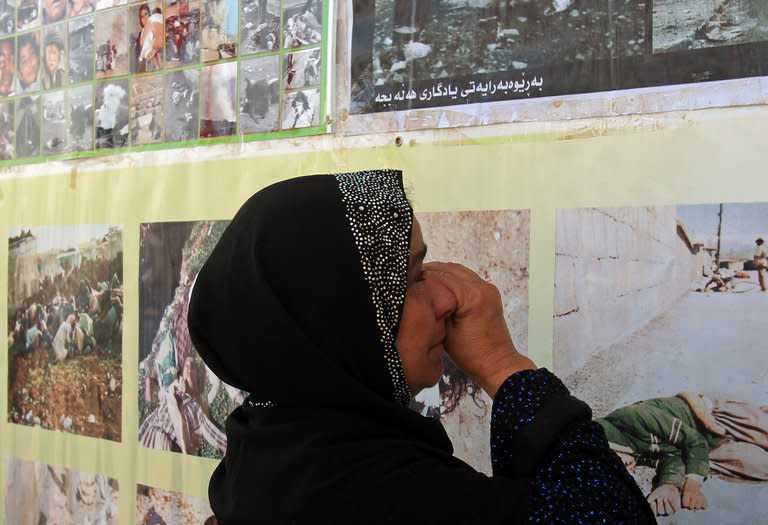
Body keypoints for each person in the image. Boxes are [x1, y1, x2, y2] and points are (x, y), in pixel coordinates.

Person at [187, 170, 654, 523]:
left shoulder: (271, 443)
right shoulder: (372, 494)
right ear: (340, 318)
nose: (446, 298)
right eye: (412, 278)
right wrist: (502, 364)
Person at [597, 393, 768, 516]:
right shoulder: (630, 452)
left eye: (617, 462)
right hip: (704, 450)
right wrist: (668, 485)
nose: (626, 468)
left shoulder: (631, 417)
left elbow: (694, 440)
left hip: (709, 417)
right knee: (760, 466)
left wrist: (692, 486)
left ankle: (759, 413)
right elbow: (672, 456)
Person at [137, 4, 163, 72]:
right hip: (149, 66)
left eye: (146, 14)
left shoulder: (156, 26)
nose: (144, 18)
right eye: (142, 16)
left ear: (149, 14)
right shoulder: (141, 34)